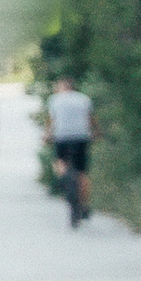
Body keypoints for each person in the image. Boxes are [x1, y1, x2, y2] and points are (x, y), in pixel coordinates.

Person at [46, 76, 94, 225]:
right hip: (81, 137)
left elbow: (52, 120)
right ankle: (84, 204)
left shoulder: (54, 100)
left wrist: (47, 135)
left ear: (61, 87)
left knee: (59, 162)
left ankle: (64, 178)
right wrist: (96, 132)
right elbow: (90, 118)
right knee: (82, 172)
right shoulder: (83, 99)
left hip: (62, 137)